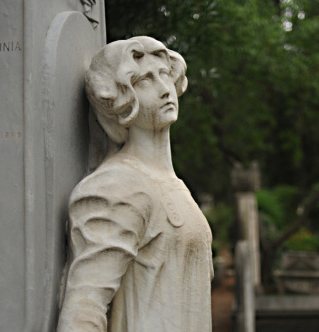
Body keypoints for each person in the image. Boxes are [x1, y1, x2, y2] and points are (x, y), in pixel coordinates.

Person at [57, 36, 213, 332]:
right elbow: (85, 306)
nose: (164, 89)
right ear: (119, 98)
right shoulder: (117, 186)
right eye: (144, 81)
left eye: (165, 75)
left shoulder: (174, 186)